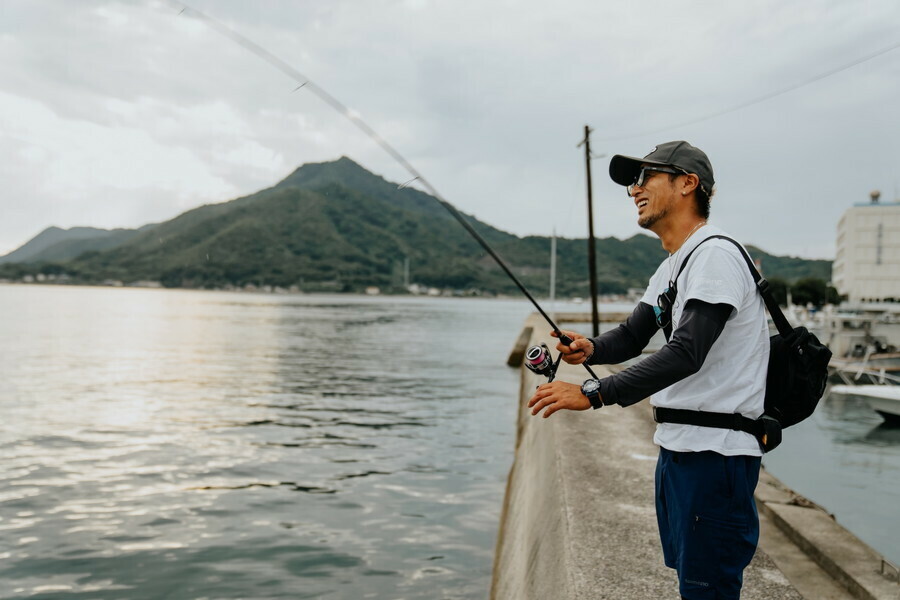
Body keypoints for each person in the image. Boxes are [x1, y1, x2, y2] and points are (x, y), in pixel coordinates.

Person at [527, 141, 768, 600]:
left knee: (709, 590)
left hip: (715, 455)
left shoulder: (714, 255)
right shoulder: (674, 264)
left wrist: (594, 392)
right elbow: (633, 336)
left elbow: (686, 352)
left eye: (644, 178)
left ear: (687, 183)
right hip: (680, 450)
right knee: (693, 584)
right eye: (630, 182)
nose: (632, 190)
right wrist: (589, 348)